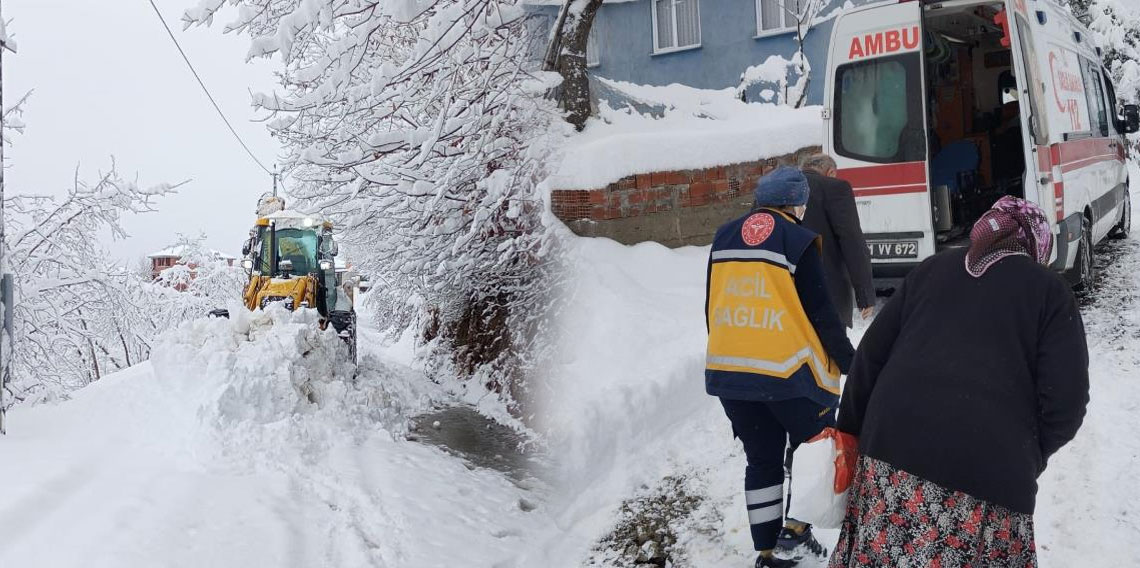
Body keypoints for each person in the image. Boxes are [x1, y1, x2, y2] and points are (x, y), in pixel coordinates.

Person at [829, 196, 1089, 568]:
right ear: (1036, 244)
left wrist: (850, 434)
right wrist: (1023, 452)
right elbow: (1066, 404)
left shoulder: (931, 269)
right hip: (988, 483)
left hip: (889, 458)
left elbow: (868, 363)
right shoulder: (1048, 291)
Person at [705, 166, 855, 568]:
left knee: (762, 460)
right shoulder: (797, 239)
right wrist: (852, 362)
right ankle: (795, 535)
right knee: (810, 453)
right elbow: (822, 314)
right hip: (786, 375)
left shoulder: (723, 236)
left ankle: (768, 551)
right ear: (797, 204)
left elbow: (712, 305)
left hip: (731, 374)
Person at [799, 154, 876, 327]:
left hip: (781, 291)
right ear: (831, 172)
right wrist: (865, 294)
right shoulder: (835, 188)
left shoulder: (776, 190)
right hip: (825, 291)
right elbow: (851, 240)